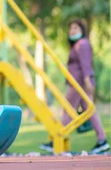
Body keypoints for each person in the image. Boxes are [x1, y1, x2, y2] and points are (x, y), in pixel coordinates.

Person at [39, 19, 109, 154]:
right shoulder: (78, 44)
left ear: (82, 30)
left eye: (76, 28)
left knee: (68, 110)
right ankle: (102, 141)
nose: (72, 31)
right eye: (70, 28)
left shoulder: (82, 44)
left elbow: (85, 63)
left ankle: (56, 139)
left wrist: (87, 79)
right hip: (79, 82)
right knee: (90, 111)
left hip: (78, 83)